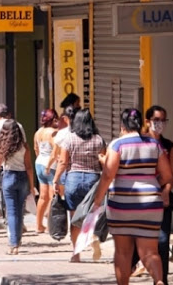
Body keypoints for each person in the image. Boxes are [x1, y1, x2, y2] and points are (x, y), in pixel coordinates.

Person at [91, 108, 173, 285]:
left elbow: (107, 175)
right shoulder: (154, 144)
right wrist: (150, 183)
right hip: (151, 204)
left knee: (123, 252)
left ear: (122, 125)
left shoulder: (117, 145)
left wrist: (97, 200)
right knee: (150, 252)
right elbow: (167, 176)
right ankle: (159, 281)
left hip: (121, 204)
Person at [53, 108, 106, 262]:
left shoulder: (69, 139)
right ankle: (93, 236)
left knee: (75, 218)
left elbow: (63, 162)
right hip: (93, 180)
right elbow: (104, 162)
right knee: (93, 214)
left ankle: (76, 254)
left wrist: (56, 180)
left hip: (73, 180)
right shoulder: (99, 140)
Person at [131, 105, 173, 284]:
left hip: (162, 201)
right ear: (147, 121)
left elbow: (172, 175)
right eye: (156, 120)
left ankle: (161, 280)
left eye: (163, 120)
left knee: (163, 241)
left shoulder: (168, 146)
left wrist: (166, 191)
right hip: (140, 200)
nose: (159, 124)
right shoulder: (138, 141)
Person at [0, 120, 35, 255]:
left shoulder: (2, 147)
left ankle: (13, 244)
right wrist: (32, 186)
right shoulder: (25, 147)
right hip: (22, 179)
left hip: (9, 177)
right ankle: (17, 241)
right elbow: (29, 167)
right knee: (19, 211)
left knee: (11, 211)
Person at [33, 108, 58, 233]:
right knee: (51, 196)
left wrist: (41, 160)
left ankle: (38, 225)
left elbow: (36, 148)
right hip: (50, 165)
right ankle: (49, 225)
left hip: (39, 163)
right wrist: (50, 165)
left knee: (43, 197)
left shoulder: (38, 132)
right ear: (53, 119)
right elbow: (55, 151)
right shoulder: (54, 133)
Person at [47, 105, 78, 197]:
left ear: (65, 118)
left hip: (65, 170)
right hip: (81, 169)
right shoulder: (83, 133)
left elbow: (55, 154)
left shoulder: (61, 133)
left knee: (65, 198)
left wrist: (48, 167)